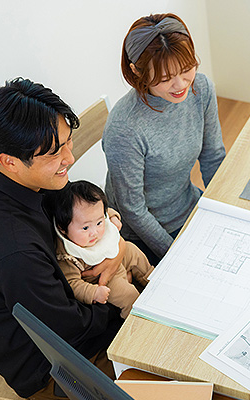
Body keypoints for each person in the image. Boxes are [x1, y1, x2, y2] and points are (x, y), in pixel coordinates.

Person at [0, 78, 127, 399]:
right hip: (55, 370)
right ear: (10, 161)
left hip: (69, 297)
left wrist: (115, 256)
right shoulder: (13, 250)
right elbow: (68, 330)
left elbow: (76, 214)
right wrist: (118, 292)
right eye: (53, 153)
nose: (69, 159)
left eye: (68, 142)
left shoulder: (16, 179)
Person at [103, 13, 226, 265]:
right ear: (137, 71)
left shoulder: (200, 89)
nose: (180, 84)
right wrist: (175, 255)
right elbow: (133, 210)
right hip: (143, 235)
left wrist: (224, 213)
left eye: (186, 69)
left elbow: (213, 156)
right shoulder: (125, 128)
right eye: (165, 78)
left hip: (189, 204)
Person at [44, 180, 153, 319]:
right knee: (130, 296)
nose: (94, 232)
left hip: (115, 256)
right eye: (85, 228)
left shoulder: (91, 216)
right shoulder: (67, 254)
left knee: (132, 250)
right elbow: (72, 283)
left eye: (99, 223)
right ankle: (135, 321)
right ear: (62, 228)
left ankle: (152, 281)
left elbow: (104, 211)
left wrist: (113, 217)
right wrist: (93, 292)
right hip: (102, 279)